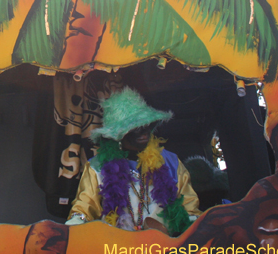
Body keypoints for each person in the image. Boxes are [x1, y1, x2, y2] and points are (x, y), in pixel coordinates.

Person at [66, 87, 201, 235]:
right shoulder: (97, 168)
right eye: (136, 127)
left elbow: (190, 209)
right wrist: (73, 229)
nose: (144, 132)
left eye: (146, 125)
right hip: (117, 246)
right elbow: (83, 210)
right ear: (118, 135)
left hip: (166, 245)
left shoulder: (170, 162)